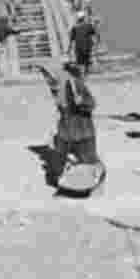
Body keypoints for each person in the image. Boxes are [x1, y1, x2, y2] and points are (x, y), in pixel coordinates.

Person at [34, 59, 103, 187]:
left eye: (49, 76)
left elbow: (91, 103)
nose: (48, 80)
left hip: (81, 128)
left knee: (87, 158)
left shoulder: (75, 84)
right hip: (67, 128)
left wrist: (81, 102)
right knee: (62, 155)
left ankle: (91, 173)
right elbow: (54, 90)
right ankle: (63, 176)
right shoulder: (59, 85)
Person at [67, 11, 97, 75]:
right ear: (83, 18)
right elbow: (94, 34)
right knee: (86, 61)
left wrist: (69, 49)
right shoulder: (88, 25)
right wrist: (94, 44)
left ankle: (81, 73)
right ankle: (85, 73)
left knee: (80, 62)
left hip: (78, 47)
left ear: (78, 18)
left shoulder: (75, 27)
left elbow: (71, 39)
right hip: (87, 46)